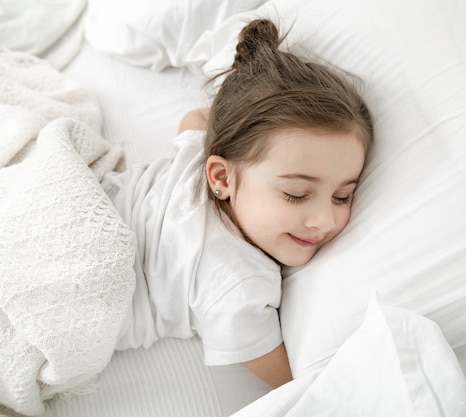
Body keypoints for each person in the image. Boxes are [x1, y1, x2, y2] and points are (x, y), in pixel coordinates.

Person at [101, 18, 374, 388]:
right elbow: (298, 385)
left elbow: (195, 119)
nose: (324, 220)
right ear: (221, 178)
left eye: (343, 196)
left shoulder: (202, 156)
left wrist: (238, 113)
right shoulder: (237, 285)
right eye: (296, 194)